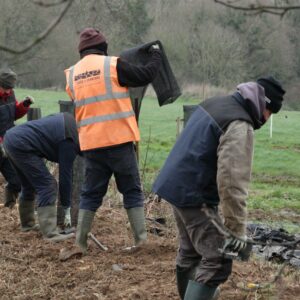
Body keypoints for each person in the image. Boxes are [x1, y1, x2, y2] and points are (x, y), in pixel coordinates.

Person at [152, 77, 285, 300]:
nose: (267, 119)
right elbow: (232, 184)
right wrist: (235, 233)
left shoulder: (215, 103)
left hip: (174, 185)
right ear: (264, 106)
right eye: (271, 113)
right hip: (194, 195)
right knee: (218, 261)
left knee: (191, 252)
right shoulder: (239, 124)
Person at [63, 28, 162, 256]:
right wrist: (156, 54)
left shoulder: (71, 75)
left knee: (90, 193)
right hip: (119, 141)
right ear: (103, 47)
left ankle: (79, 243)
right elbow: (146, 75)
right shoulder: (112, 65)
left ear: (81, 51)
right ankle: (141, 241)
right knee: (131, 190)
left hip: (91, 145)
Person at [3, 113, 80, 242]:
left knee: (28, 184)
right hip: (21, 144)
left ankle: (27, 225)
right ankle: (50, 234)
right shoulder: (70, 140)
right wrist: (66, 208)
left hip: (11, 138)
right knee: (48, 185)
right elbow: (65, 177)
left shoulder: (69, 124)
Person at [0, 68, 34, 208]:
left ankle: (8, 207)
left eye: (10, 88)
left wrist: (24, 105)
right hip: (2, 144)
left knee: (16, 181)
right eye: (5, 88)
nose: (8, 91)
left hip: (7, 144)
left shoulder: (10, 94)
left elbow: (14, 114)